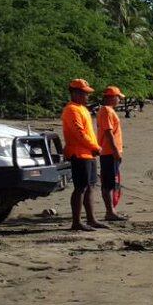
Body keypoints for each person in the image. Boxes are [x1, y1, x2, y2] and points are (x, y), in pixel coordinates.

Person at [62, 79, 105, 231]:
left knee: (90, 186)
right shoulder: (72, 110)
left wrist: (93, 148)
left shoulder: (82, 109)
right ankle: (77, 221)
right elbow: (79, 133)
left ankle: (91, 219)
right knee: (80, 187)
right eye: (84, 93)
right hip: (78, 153)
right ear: (75, 93)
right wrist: (95, 146)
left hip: (88, 153)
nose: (87, 96)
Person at [97, 85, 127, 221]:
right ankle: (110, 211)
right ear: (111, 97)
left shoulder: (108, 111)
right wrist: (115, 150)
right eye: (118, 97)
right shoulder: (106, 111)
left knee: (111, 181)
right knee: (109, 183)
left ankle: (111, 210)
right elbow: (108, 133)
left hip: (111, 152)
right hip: (109, 152)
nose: (119, 100)